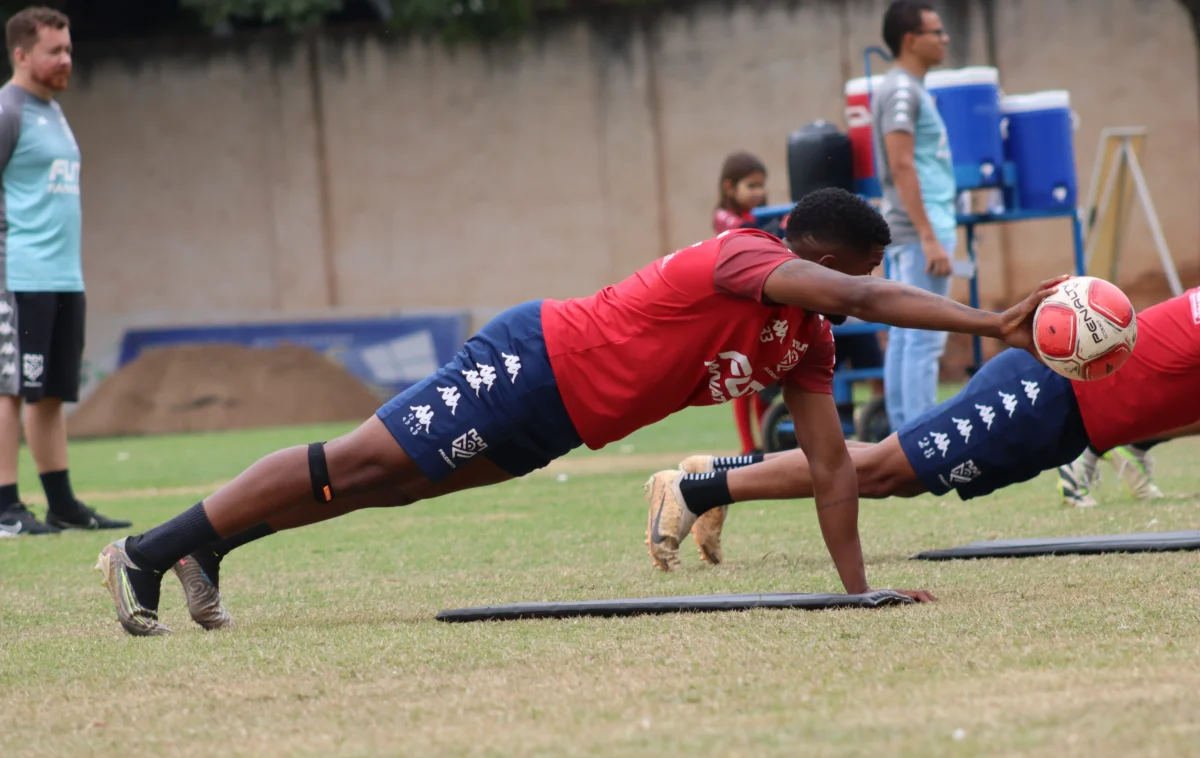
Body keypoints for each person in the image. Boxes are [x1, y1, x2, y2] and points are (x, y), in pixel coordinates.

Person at [94, 187, 1061, 636]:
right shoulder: (745, 259)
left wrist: (859, 596)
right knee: (354, 462)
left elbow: (834, 464)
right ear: (807, 254)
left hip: (564, 419)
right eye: (844, 276)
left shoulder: (800, 336)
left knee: (380, 492)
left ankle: (204, 550)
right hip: (531, 362)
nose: (846, 294)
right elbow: (863, 302)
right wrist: (991, 323)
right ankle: (144, 552)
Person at [649, 289, 1200, 567]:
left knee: (895, 467)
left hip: (1060, 417)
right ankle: (693, 491)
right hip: (1042, 394)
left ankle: (719, 472)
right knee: (887, 471)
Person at [0, 7, 128, 538]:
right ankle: (5, 507)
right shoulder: (8, 110)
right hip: (19, 276)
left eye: (68, 49)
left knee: (50, 393)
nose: (65, 60)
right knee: (9, 390)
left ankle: (62, 505)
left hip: (62, 277)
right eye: (54, 51)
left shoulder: (52, 111)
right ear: (21, 54)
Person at [873, 1, 959, 432]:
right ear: (910, 40)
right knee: (923, 336)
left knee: (908, 337)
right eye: (936, 32)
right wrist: (928, 235)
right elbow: (901, 164)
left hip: (916, 229)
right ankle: (923, 437)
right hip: (920, 230)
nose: (944, 39)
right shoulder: (902, 90)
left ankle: (906, 435)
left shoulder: (903, 88)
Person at [712, 151, 773, 455]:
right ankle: (748, 446)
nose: (759, 193)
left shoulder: (762, 216)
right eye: (751, 186)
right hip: (737, 307)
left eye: (761, 186)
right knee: (742, 375)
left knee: (760, 377)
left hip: (759, 304)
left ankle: (766, 438)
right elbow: (741, 234)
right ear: (729, 187)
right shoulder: (725, 218)